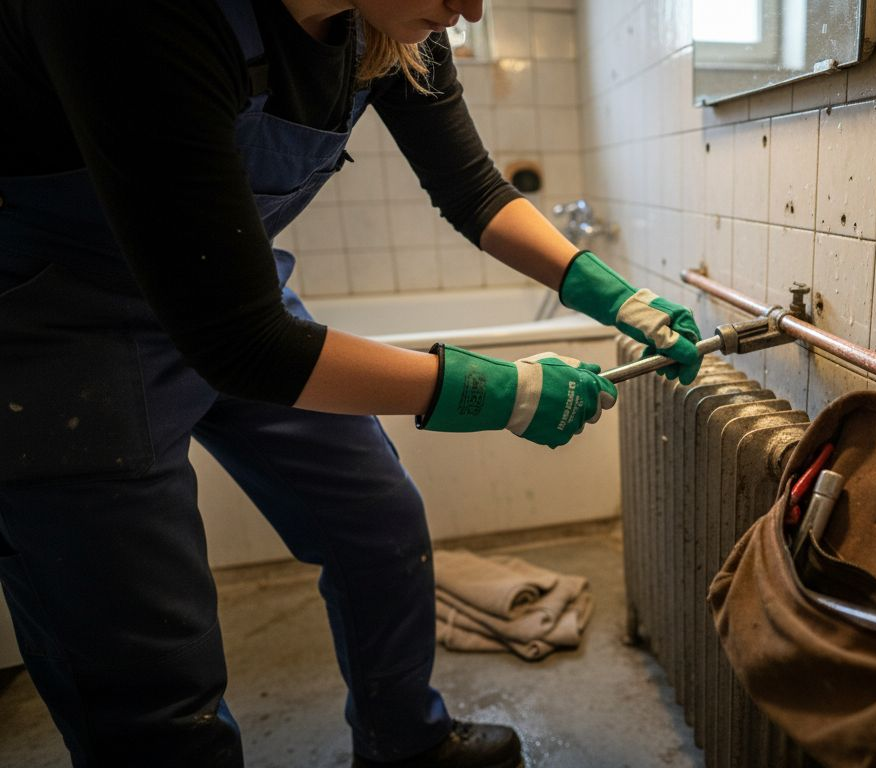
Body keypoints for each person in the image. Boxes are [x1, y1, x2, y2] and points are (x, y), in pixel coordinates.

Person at [0, 0, 702, 765]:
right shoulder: (136, 15)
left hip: (237, 295)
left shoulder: (392, 25)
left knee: (377, 520)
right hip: (60, 323)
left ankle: (405, 741)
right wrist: (502, 392)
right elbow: (246, 348)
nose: (470, 9)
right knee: (145, 673)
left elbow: (473, 190)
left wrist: (609, 292)